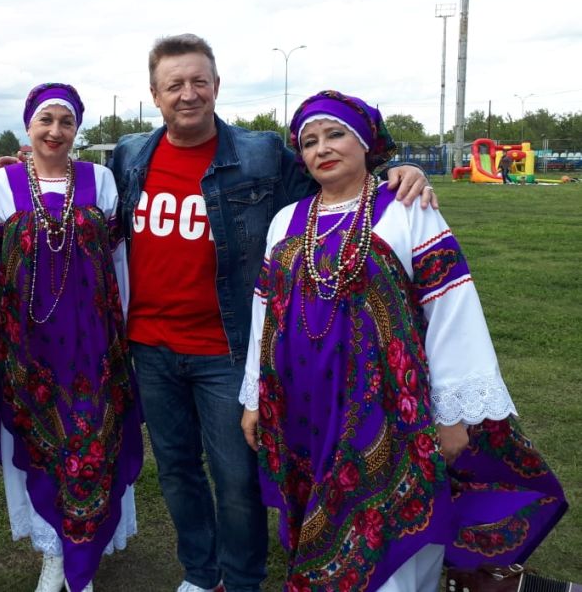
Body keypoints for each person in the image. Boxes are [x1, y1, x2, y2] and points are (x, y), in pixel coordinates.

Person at [109, 34, 434, 592]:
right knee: (178, 469)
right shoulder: (130, 154)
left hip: (227, 347)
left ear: (216, 85)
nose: (188, 94)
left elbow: (334, 174)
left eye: (199, 81)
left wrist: (399, 169)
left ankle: (241, 579)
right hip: (151, 347)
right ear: (155, 95)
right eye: (174, 85)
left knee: (236, 477)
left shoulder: (259, 154)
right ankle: (200, 572)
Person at [240, 90, 566, 591]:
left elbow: (452, 310)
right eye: (309, 141)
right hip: (304, 407)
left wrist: (452, 414)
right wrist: (253, 399)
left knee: (390, 528)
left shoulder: (408, 209)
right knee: (316, 514)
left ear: (366, 142)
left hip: (387, 408)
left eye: (335, 134)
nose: (322, 148)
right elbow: (265, 312)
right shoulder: (287, 220)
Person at [0, 84, 142, 592]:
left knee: (95, 443)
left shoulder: (101, 179)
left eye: (66, 122)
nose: (55, 131)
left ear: (77, 129)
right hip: (29, 348)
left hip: (93, 345)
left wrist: (122, 329)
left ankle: (85, 558)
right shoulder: (0, 184)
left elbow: (118, 260)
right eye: (45, 120)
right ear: (28, 125)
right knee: (40, 446)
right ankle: (53, 554)